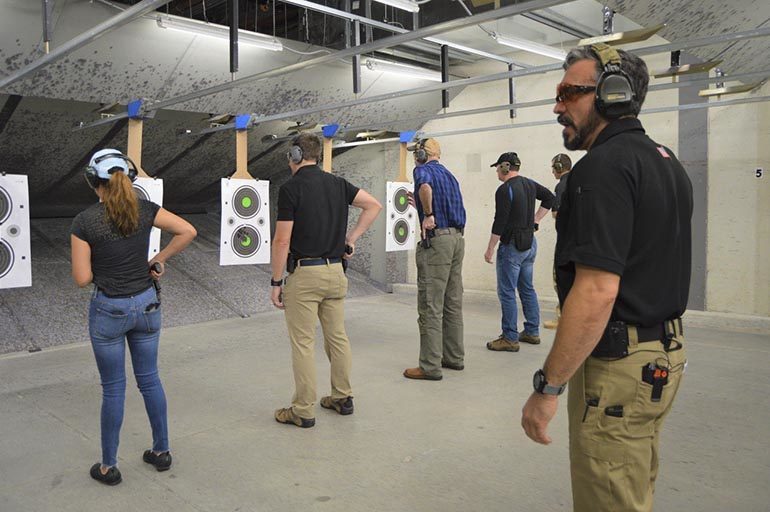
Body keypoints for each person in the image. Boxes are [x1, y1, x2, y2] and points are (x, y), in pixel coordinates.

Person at [520, 44, 692, 512]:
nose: (558, 106)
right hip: (660, 356)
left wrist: (548, 388)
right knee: (631, 486)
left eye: (569, 92)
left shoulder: (601, 168)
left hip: (619, 366)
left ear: (613, 94)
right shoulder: (667, 162)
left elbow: (597, 290)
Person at [71, 148, 197, 485]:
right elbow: (188, 231)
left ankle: (108, 467)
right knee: (150, 379)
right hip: (147, 305)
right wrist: (158, 259)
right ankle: (161, 451)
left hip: (109, 309)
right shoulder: (145, 209)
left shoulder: (85, 221)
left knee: (113, 389)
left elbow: (83, 278)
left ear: (93, 182)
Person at [270, 132, 381, 428]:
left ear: (294, 155)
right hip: (336, 273)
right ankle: (343, 397)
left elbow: (282, 241)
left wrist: (276, 281)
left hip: (305, 274)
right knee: (338, 337)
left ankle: (303, 410)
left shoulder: (291, 189)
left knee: (303, 344)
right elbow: (373, 205)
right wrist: (351, 238)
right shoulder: (338, 184)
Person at [402, 138, 466, 380]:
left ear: (420, 153)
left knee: (431, 304)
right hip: (457, 241)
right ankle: (454, 357)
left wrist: (427, 214)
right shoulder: (449, 175)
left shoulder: (422, 170)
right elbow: (432, 195)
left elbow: (426, 188)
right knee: (452, 302)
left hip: (438, 242)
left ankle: (429, 366)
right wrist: (419, 201)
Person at [484, 152, 554, 353]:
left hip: (512, 247)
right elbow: (550, 198)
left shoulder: (504, 189)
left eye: (498, 167)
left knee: (506, 291)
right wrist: (536, 220)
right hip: (529, 244)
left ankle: (509, 337)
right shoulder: (530, 184)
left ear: (505, 167)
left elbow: (500, 222)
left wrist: (490, 248)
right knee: (527, 288)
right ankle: (532, 331)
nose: (497, 171)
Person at [543, 153, 572, 330]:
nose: (553, 171)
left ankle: (563, 318)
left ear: (559, 168)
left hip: (566, 242)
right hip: (579, 240)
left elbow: (556, 213)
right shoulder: (580, 179)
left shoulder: (561, 186)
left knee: (560, 280)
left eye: (554, 167)